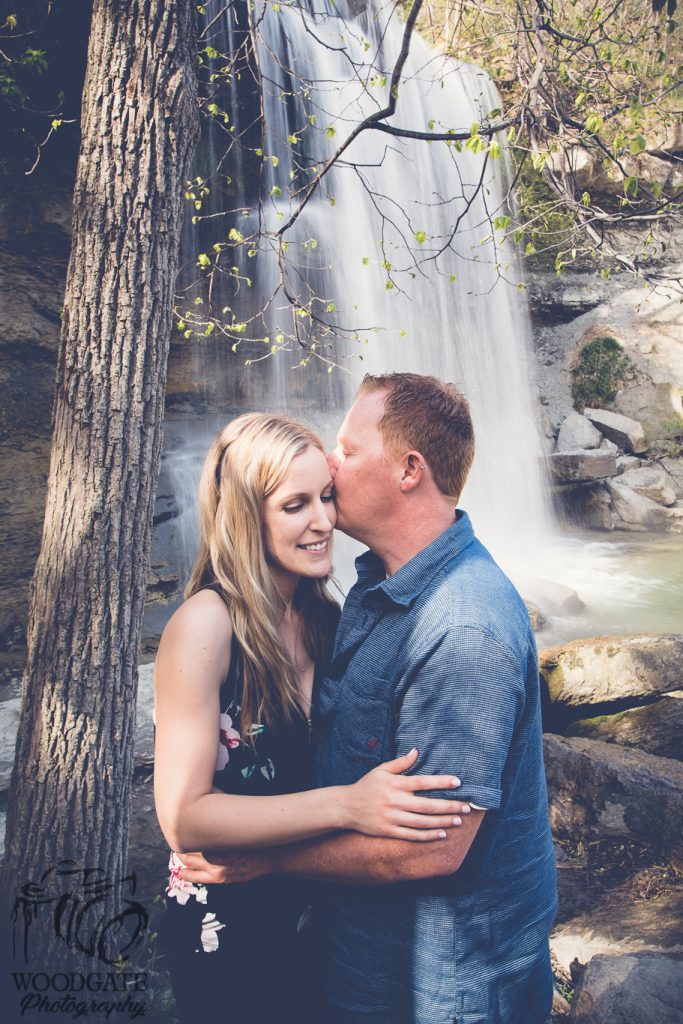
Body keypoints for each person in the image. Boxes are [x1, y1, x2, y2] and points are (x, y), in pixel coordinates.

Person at [177, 375, 559, 1024]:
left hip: (442, 985)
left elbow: (434, 847)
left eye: (348, 450)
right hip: (360, 959)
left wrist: (265, 860)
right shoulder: (372, 585)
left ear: (409, 470)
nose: (330, 462)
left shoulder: (461, 625)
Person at [153, 412, 470, 1024]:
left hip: (318, 912)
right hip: (227, 925)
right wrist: (349, 804)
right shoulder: (206, 625)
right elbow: (183, 818)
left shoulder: (326, 618)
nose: (324, 521)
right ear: (247, 516)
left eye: (326, 496)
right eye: (295, 505)